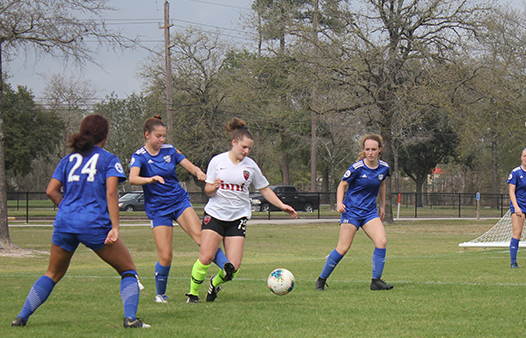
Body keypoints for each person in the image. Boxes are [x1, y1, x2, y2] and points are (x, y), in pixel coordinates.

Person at [11, 114, 149, 328]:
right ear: (105, 135)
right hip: (94, 224)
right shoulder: (108, 159)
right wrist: (115, 227)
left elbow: (51, 191)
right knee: (128, 270)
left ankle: (21, 317)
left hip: (65, 223)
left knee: (52, 273)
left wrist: (67, 208)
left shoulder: (67, 160)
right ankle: (130, 319)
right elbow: (111, 194)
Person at [187, 117, 297, 302]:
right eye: (243, 147)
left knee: (234, 267)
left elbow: (264, 189)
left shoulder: (251, 166)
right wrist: (213, 186)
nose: (246, 151)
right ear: (234, 142)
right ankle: (192, 294)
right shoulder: (217, 161)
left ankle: (214, 285)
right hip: (215, 214)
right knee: (206, 257)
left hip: (237, 218)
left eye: (249, 149)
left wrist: (281, 205)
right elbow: (207, 190)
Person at [128, 115, 229, 303]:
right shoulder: (139, 156)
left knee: (201, 237)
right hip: (158, 209)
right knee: (165, 256)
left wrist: (199, 173)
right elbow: (132, 178)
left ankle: (226, 267)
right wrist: (149, 179)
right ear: (147, 135)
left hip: (179, 201)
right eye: (158, 136)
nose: (162, 140)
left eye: (164, 136)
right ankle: (161, 295)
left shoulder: (170, 150)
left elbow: (189, 166)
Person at [316, 134, 393, 291]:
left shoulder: (384, 167)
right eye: (367, 149)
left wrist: (383, 207)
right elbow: (341, 185)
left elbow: (382, 185)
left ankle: (376, 281)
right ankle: (321, 280)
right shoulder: (357, 168)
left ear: (380, 150)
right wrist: (339, 203)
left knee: (382, 242)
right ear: (363, 150)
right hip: (351, 212)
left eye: (373, 149)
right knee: (343, 248)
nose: (370, 153)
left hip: (370, 212)